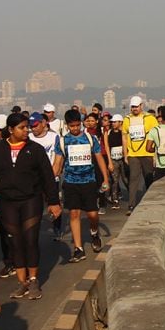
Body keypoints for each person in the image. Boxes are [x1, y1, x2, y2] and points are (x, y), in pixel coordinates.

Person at [0, 112, 61, 300]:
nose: (26, 131)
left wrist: (54, 202)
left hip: (31, 199)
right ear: (10, 129)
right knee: (15, 242)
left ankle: (33, 280)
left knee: (30, 239)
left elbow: (48, 177)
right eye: (21, 128)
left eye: (27, 127)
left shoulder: (35, 149)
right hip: (6, 202)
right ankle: (22, 283)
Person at [59, 110, 110, 263]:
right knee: (74, 214)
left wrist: (105, 179)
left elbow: (99, 158)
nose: (75, 128)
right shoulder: (63, 141)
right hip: (70, 182)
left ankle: (94, 232)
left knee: (92, 214)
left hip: (88, 181)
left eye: (77, 125)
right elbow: (58, 163)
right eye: (71, 126)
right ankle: (78, 248)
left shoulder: (90, 138)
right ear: (67, 125)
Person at [121, 96, 158, 215]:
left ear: (141, 106)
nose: (134, 109)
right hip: (133, 154)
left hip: (147, 153)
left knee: (148, 178)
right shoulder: (127, 119)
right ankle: (131, 205)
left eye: (136, 106)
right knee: (133, 179)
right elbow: (124, 137)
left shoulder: (150, 118)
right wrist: (125, 154)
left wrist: (155, 154)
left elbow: (156, 135)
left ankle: (152, 202)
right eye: (132, 107)